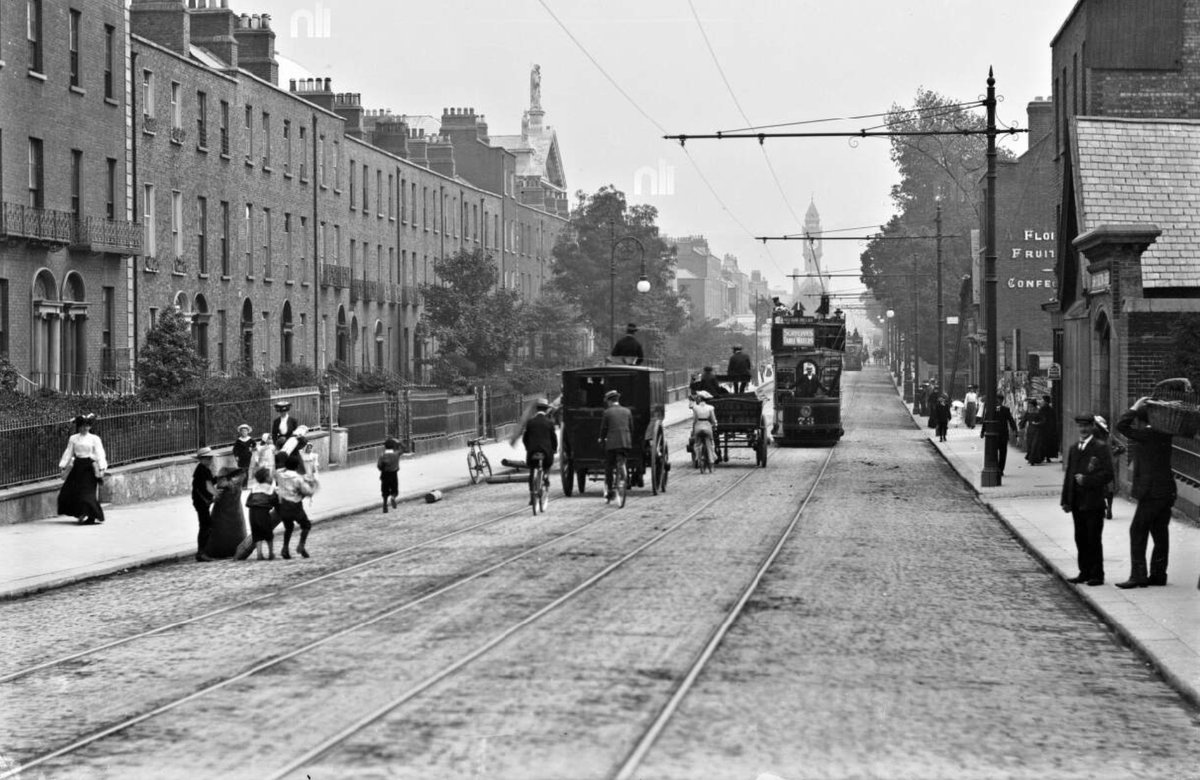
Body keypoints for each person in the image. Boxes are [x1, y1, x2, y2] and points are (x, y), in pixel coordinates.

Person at [1114, 397, 1177, 588]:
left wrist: (1134, 407)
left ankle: (1138, 575)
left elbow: (1121, 426)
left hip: (1151, 493)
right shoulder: (1164, 433)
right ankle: (1158, 575)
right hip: (1166, 492)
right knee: (1160, 533)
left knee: (1137, 531)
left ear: (1141, 420)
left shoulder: (1148, 434)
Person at [1061, 413, 1115, 587]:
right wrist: (1066, 499)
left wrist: (1088, 480)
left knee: (1093, 538)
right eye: (1080, 426)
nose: (1083, 429)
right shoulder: (1074, 448)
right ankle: (1083, 572)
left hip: (1093, 502)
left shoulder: (1100, 447)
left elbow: (1108, 475)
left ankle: (1097, 575)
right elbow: (1069, 475)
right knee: (1080, 538)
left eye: (1086, 426)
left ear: (1092, 427)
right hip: (1077, 502)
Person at [57, 413, 108, 525]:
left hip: (90, 468)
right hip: (77, 467)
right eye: (82, 426)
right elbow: (68, 452)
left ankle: (91, 516)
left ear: (90, 427)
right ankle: (80, 513)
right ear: (78, 427)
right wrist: (63, 465)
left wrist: (102, 467)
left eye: (87, 426)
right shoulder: (73, 438)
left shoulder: (94, 438)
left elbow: (100, 453)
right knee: (71, 491)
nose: (85, 428)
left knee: (87, 493)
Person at [276, 452, 317, 558]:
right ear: (297, 466)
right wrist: (312, 486)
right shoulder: (298, 478)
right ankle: (301, 545)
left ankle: (285, 548)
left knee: (288, 527)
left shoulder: (280, 475)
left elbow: (277, 471)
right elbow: (307, 492)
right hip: (295, 506)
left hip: (283, 506)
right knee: (306, 525)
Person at [598, 389, 634, 502]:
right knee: (622, 459)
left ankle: (610, 490)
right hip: (625, 443)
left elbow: (603, 429)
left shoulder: (607, 412)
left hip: (612, 444)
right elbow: (631, 428)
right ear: (618, 400)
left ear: (609, 401)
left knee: (609, 466)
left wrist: (601, 438)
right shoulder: (627, 411)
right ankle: (623, 472)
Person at [205, 466, 248, 559]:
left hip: (224, 515)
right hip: (234, 516)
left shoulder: (228, 485)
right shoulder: (237, 483)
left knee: (222, 532)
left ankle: (220, 549)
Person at [522, 398, 558, 503]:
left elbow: (525, 438)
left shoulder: (530, 422)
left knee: (532, 470)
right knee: (546, 465)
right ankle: (545, 476)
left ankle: (531, 494)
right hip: (546, 453)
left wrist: (528, 448)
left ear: (537, 410)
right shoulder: (549, 423)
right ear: (546, 410)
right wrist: (554, 449)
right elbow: (554, 439)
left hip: (532, 452)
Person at [244, 467, 279, 560]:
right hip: (263, 513)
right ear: (266, 478)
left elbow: (247, 502)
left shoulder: (254, 488)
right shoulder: (270, 489)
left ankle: (259, 554)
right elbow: (275, 500)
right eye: (270, 476)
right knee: (268, 533)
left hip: (252, 513)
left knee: (257, 534)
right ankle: (271, 553)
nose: (272, 478)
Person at [981, 395, 1019, 476]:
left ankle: (1001, 469)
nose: (998, 402)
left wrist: (1015, 430)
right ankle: (995, 467)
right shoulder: (990, 410)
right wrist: (982, 431)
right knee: (993, 452)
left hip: (1003, 434)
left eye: (999, 400)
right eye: (997, 400)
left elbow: (1011, 420)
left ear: (1002, 401)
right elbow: (986, 421)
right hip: (993, 436)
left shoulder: (1006, 410)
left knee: (1003, 453)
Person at [191, 447, 216, 561]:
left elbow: (210, 482)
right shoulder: (201, 470)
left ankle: (203, 552)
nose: (211, 460)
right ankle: (201, 553)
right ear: (202, 459)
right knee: (205, 526)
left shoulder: (204, 469)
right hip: (201, 502)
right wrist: (208, 498)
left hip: (202, 502)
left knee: (206, 526)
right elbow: (199, 488)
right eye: (209, 458)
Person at [690, 390, 719, 467]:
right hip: (707, 427)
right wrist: (715, 425)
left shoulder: (695, 408)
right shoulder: (710, 408)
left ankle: (697, 458)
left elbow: (694, 420)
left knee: (697, 444)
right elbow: (713, 420)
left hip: (698, 427)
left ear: (699, 399)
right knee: (710, 443)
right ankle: (711, 460)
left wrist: (693, 429)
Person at [377, 438, 401, 513]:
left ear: (385, 447)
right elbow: (404, 449)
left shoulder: (382, 455)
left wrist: (383, 469)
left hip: (384, 475)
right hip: (393, 474)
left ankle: (385, 505)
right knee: (394, 490)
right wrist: (399, 442)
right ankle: (393, 497)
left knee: (385, 491)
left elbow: (379, 466)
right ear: (393, 446)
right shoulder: (396, 454)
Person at [1019, 398, 1045, 465]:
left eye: (1031, 406)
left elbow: (1043, 420)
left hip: (1037, 430)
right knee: (1030, 445)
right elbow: (1024, 420)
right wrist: (1021, 426)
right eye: (1029, 406)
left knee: (1035, 445)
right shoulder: (1028, 412)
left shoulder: (1039, 411)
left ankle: (1032, 460)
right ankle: (1031, 458)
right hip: (1030, 430)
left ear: (1034, 405)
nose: (1030, 407)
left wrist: (1038, 423)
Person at [1040, 395, 1059, 462]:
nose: (1041, 401)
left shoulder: (1043, 409)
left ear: (1045, 401)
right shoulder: (1050, 409)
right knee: (1047, 443)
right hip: (1048, 429)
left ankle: (1045, 456)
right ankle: (1046, 456)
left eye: (1042, 400)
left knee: (1044, 443)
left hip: (1045, 429)